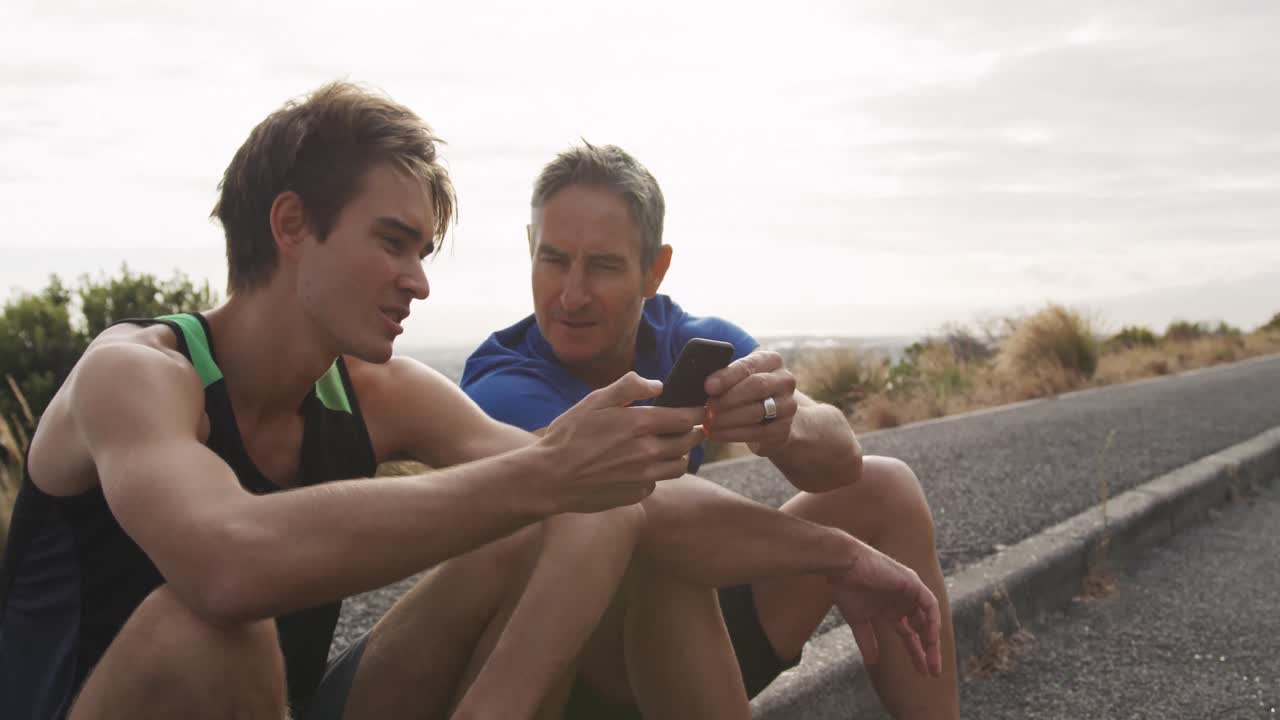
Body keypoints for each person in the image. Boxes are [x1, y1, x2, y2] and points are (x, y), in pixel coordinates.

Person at [0, 84, 941, 720]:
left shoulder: (379, 391)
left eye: (424, 252)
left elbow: (622, 496)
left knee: (594, 505)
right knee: (210, 632)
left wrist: (841, 555)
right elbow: (226, 563)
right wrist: (541, 474)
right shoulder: (135, 374)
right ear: (291, 224)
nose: (418, 280)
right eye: (393, 243)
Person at [461, 142, 961, 718]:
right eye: (553, 260)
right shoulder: (502, 383)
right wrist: (840, 557)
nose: (571, 295)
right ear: (530, 247)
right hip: (562, 675)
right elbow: (638, 508)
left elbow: (841, 460)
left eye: (603, 266)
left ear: (654, 270)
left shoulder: (686, 339)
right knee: (662, 557)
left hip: (685, 645)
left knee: (884, 487)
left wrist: (783, 423)